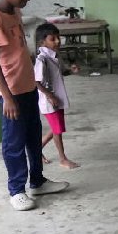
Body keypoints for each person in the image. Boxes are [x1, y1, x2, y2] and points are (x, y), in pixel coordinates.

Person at [0, 0, 69, 211]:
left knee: (33, 136)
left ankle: (38, 181)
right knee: (14, 142)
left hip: (28, 87)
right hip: (11, 93)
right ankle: (17, 190)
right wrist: (8, 98)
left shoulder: (15, 12)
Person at [34, 23, 80, 169]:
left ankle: (36, 150)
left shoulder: (54, 56)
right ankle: (62, 159)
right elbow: (36, 81)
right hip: (50, 102)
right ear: (42, 42)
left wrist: (70, 70)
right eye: (53, 39)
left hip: (57, 99)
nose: (58, 41)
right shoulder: (42, 59)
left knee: (56, 128)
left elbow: (59, 73)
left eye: (58, 38)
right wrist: (50, 96)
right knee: (57, 130)